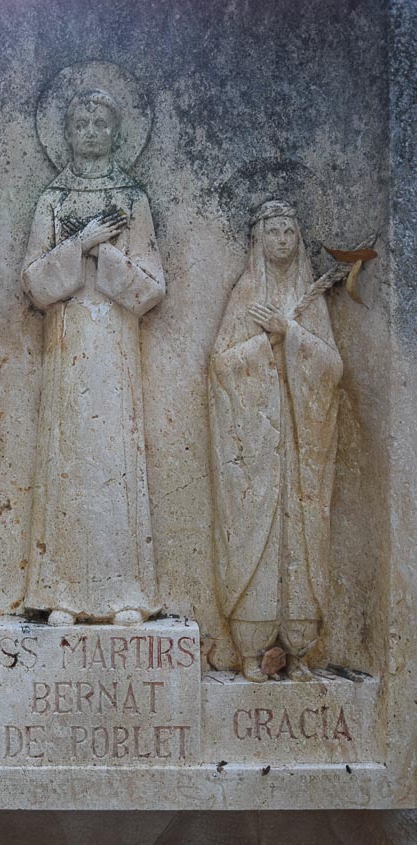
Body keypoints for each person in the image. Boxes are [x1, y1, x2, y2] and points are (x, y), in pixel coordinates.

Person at [21, 89, 165, 626]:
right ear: (66, 132)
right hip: (67, 345)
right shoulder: (52, 200)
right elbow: (34, 283)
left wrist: (105, 251)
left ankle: (126, 592)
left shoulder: (133, 199)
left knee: (114, 460)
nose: (89, 131)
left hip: (115, 347)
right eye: (79, 122)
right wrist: (78, 243)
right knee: (69, 460)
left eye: (99, 122)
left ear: (115, 131)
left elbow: (151, 287)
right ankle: (63, 594)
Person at [208, 200, 343, 682]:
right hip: (256, 443)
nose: (282, 240)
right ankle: (252, 646)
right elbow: (221, 365)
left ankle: (300, 648)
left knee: (303, 535)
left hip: (302, 442)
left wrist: (293, 333)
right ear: (258, 239)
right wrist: (264, 344)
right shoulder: (247, 294)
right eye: (273, 232)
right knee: (255, 535)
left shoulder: (310, 298)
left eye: (289, 232)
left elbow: (333, 368)